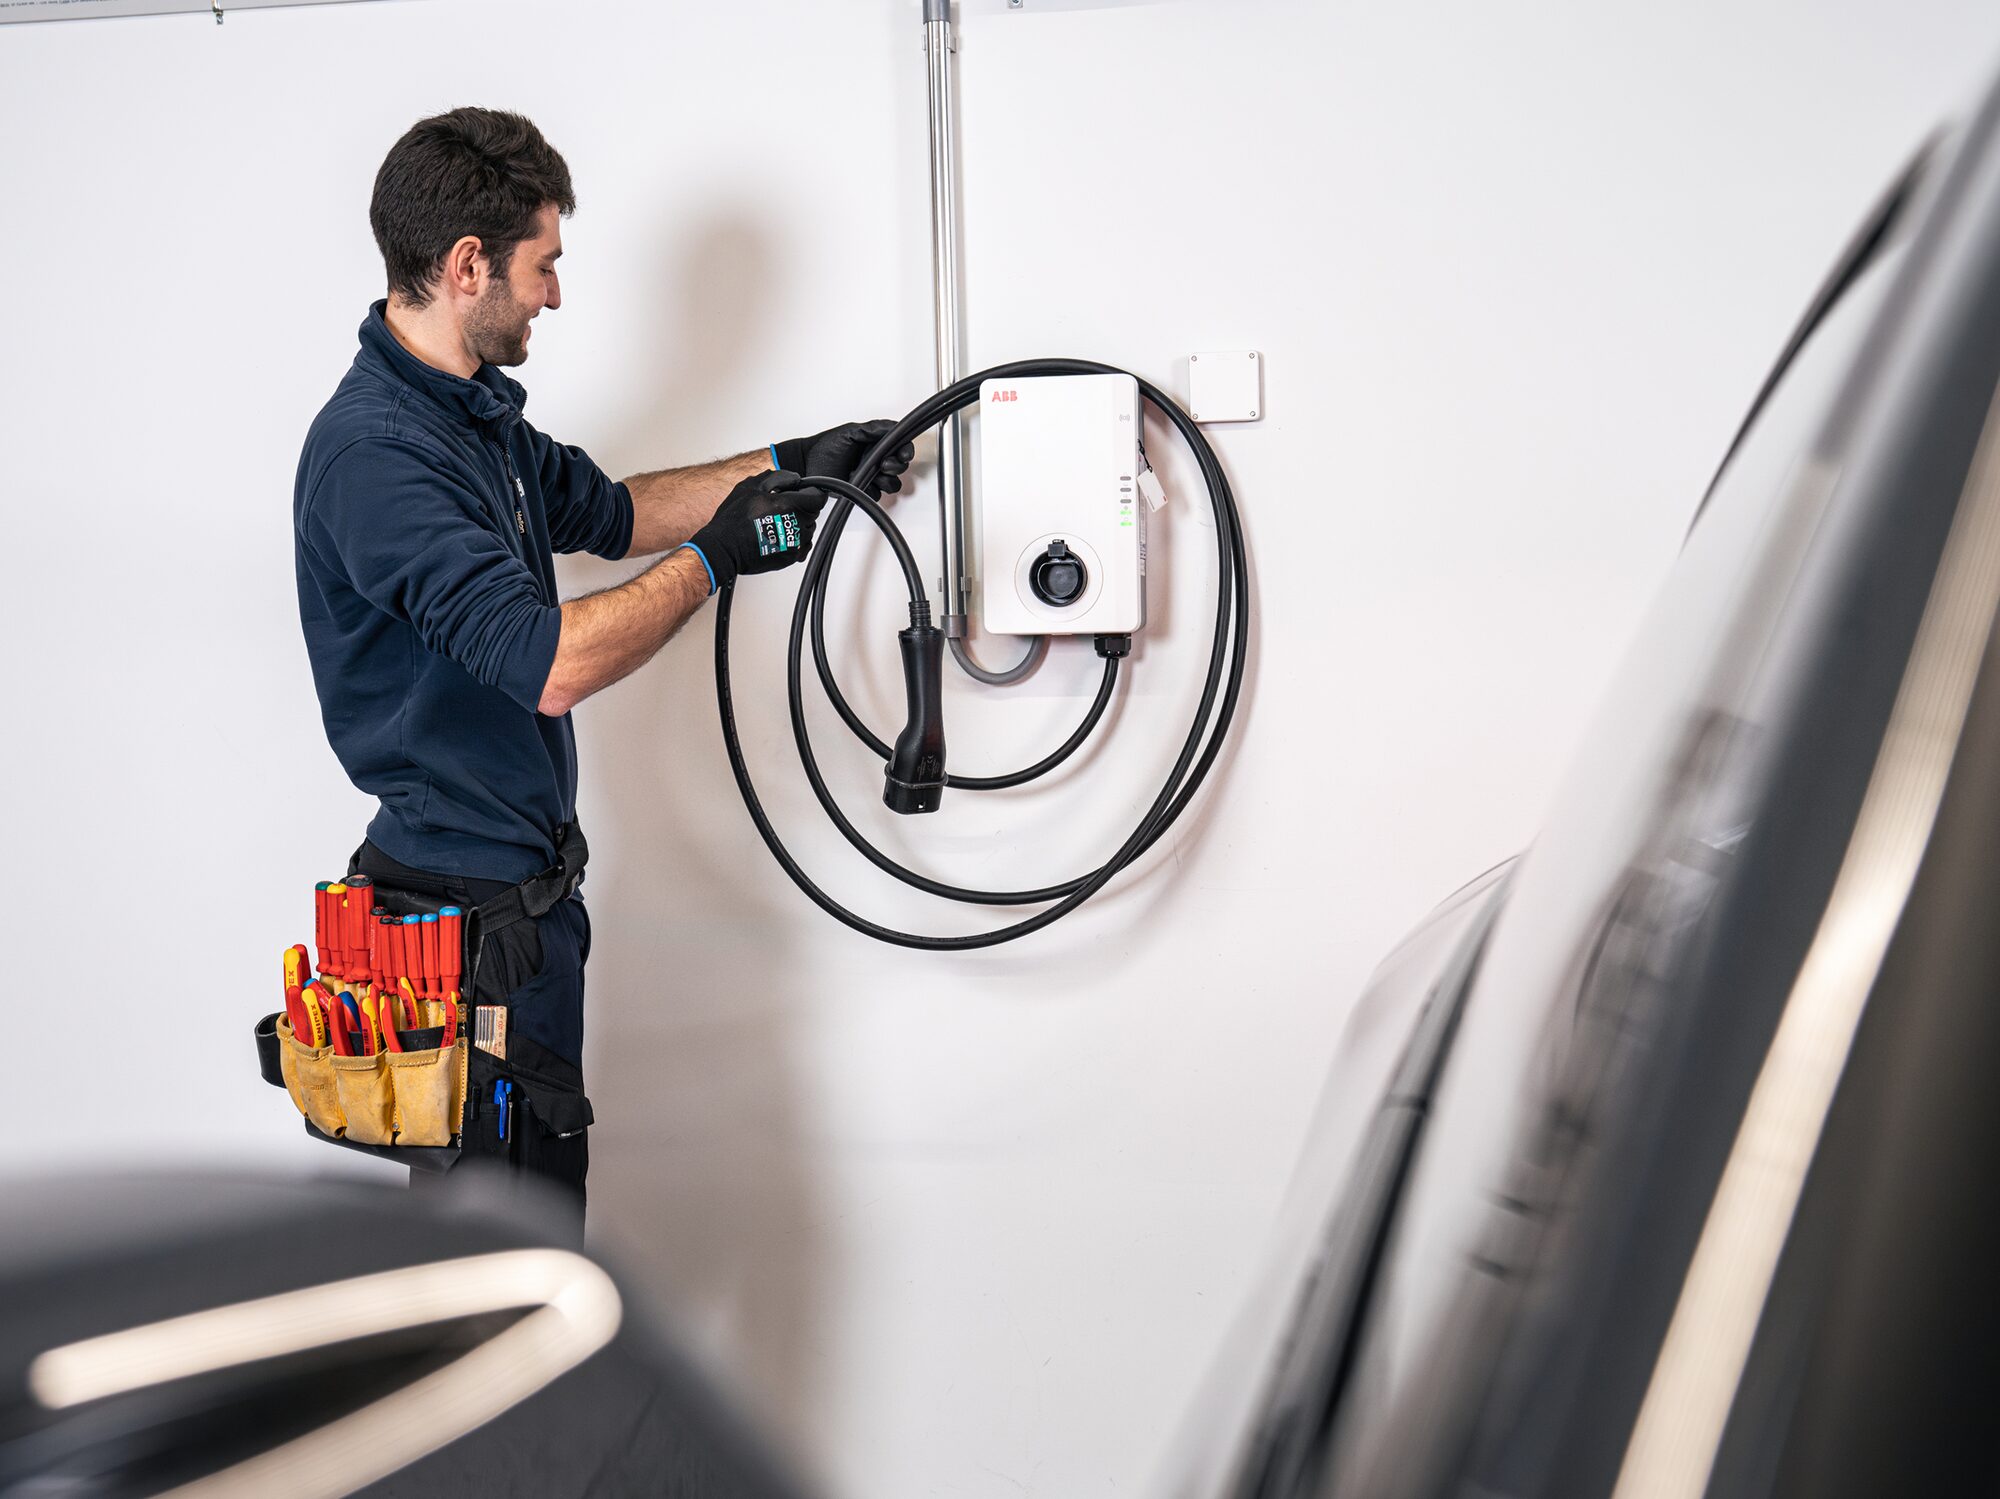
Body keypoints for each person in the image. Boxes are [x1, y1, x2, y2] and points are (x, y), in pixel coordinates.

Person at [292, 107, 912, 1236]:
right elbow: (554, 666)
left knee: (541, 1250)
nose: (555, 296)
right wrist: (721, 557)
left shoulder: (471, 413)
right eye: (544, 265)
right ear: (467, 263)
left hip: (525, 916)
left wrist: (798, 463)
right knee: (502, 1287)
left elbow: (616, 513)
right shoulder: (378, 455)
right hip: (459, 934)